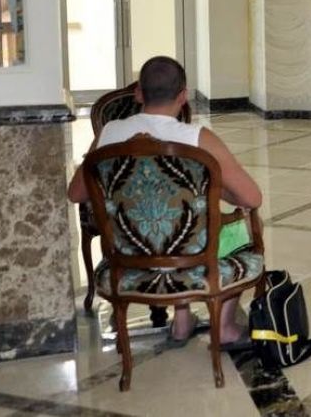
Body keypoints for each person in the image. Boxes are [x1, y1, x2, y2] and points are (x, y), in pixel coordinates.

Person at [67, 56, 263, 347]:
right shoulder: (199, 139)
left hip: (129, 258)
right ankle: (224, 327)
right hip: (193, 257)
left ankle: (182, 320)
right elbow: (252, 198)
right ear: (183, 96)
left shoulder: (109, 134)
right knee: (242, 227)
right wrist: (210, 186)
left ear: (138, 93)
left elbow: (76, 193)